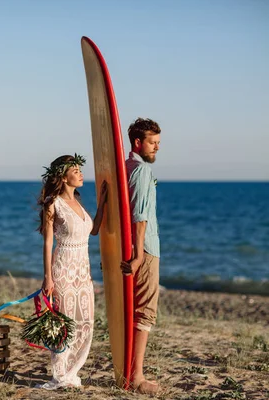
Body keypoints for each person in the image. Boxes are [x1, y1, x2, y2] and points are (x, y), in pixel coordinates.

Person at [36, 153, 107, 390]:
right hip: (63, 268)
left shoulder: (78, 203)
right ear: (63, 178)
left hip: (83, 271)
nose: (80, 173)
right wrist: (48, 277)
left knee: (85, 321)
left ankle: (72, 371)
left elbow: (93, 230)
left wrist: (104, 203)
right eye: (75, 170)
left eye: (79, 169)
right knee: (65, 323)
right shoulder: (52, 204)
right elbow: (47, 243)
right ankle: (60, 374)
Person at [121, 118, 161, 395]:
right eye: (153, 143)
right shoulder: (142, 170)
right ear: (138, 142)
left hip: (134, 247)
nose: (156, 148)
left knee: (132, 310)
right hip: (145, 249)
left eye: (158, 143)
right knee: (145, 312)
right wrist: (137, 255)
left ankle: (130, 372)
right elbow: (140, 217)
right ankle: (136, 378)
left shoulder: (124, 167)